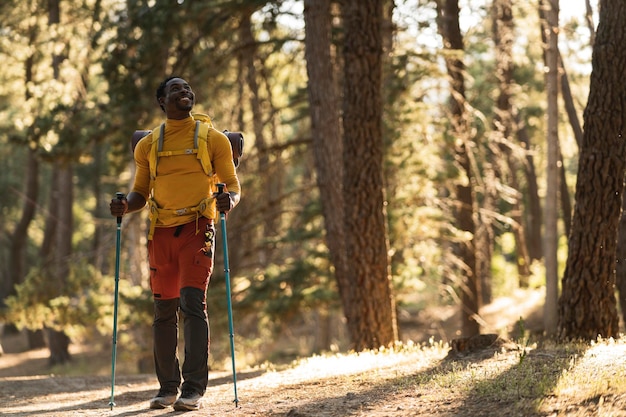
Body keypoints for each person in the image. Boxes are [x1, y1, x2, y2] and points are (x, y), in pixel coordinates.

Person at [110, 76, 241, 411]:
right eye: (175, 89)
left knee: (192, 303)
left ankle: (194, 389)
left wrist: (230, 201)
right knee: (164, 310)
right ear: (162, 102)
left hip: (199, 228)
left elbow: (232, 186)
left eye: (187, 89)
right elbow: (141, 192)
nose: (185, 92)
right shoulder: (148, 145)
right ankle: (168, 387)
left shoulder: (214, 140)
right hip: (161, 233)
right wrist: (126, 205)